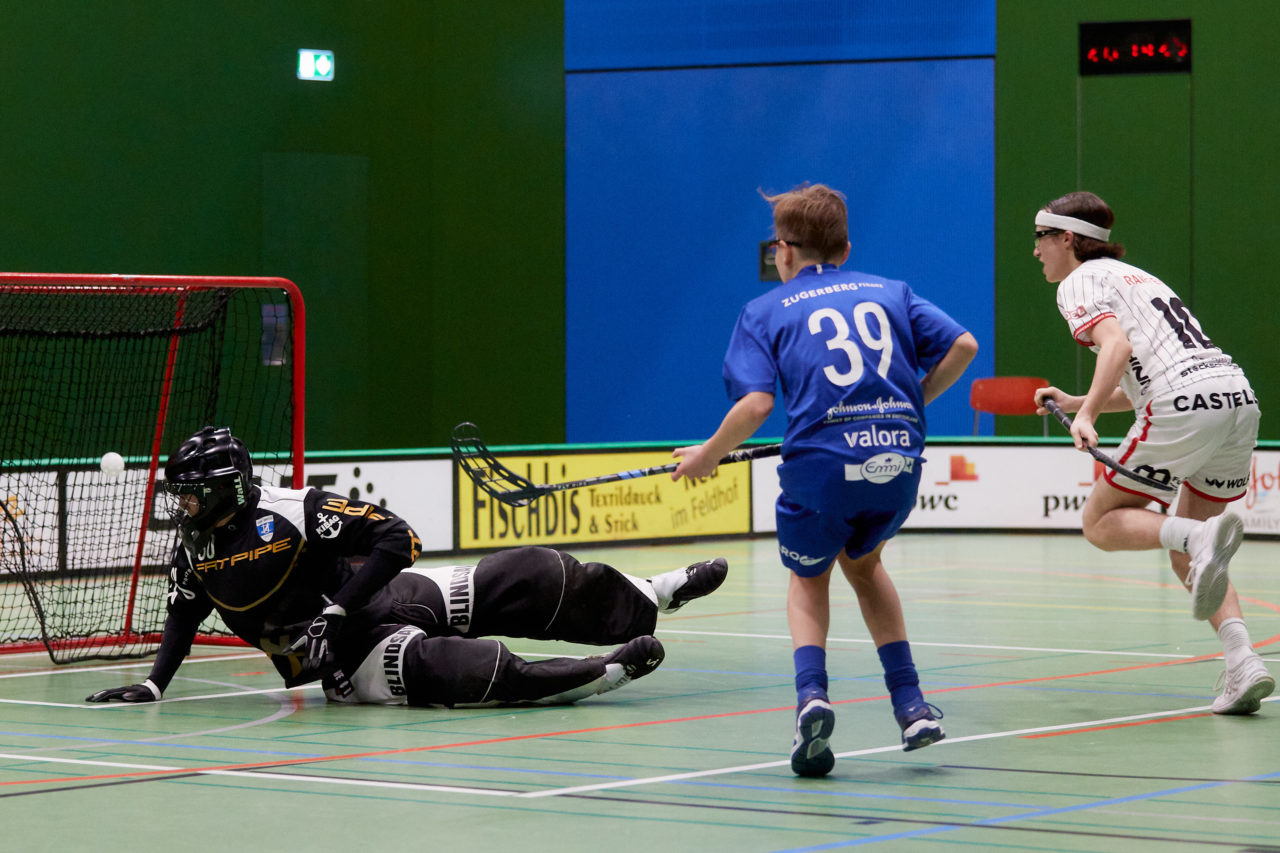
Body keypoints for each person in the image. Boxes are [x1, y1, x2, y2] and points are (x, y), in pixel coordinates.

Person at [671, 183, 978, 777]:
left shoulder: (764, 310)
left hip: (821, 469)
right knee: (865, 567)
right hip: (898, 459)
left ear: (783, 251)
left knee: (809, 579)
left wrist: (708, 455)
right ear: (845, 249)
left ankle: (811, 698)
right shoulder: (892, 292)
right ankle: (912, 706)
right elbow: (963, 345)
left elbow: (757, 405)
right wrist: (914, 402)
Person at [88, 426, 729, 708]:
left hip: (387, 596)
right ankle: (599, 673)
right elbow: (181, 617)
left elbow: (399, 538)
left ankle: (654, 594)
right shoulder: (192, 551)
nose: (181, 505)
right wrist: (154, 685)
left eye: (190, 494)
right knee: (451, 666)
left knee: (530, 571)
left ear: (225, 488)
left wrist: (342, 605)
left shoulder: (294, 509)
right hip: (346, 663)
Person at [1030, 190, 1273, 715]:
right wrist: (1078, 401)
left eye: (1040, 237)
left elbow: (1116, 348)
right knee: (1190, 553)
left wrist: (1089, 417)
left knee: (1100, 523)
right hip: (1236, 397)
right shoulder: (1138, 277)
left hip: (1182, 404)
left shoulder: (1078, 282)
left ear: (1067, 238)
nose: (1036, 250)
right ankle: (1243, 662)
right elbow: (1146, 375)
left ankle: (1199, 536)